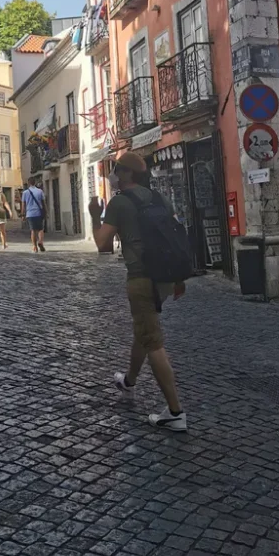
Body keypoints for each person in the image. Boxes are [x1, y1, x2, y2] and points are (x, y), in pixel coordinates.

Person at [89, 151, 187, 432]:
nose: (114, 175)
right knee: (144, 330)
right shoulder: (160, 199)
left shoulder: (120, 203)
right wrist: (179, 278)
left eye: (117, 170)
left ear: (128, 173)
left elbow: (102, 244)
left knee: (152, 340)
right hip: (164, 278)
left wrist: (95, 215)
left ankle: (175, 411)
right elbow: (175, 236)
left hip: (141, 279)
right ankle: (129, 380)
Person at [22, 179, 46, 253]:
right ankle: (40, 242)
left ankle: (35, 247)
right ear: (34, 183)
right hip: (38, 213)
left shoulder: (25, 193)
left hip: (29, 214)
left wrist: (23, 214)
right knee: (40, 229)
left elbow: (23, 204)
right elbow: (43, 203)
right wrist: (46, 212)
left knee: (33, 230)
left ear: (28, 183)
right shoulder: (40, 191)